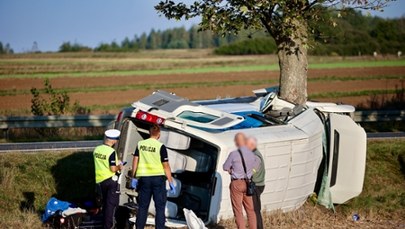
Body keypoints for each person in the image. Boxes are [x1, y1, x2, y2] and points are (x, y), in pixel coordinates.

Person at [131, 125, 175, 229]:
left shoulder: (140, 144)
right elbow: (166, 165)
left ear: (149, 133)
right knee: (159, 207)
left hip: (144, 179)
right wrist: (171, 181)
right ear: (159, 134)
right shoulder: (160, 146)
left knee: (142, 207)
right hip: (158, 180)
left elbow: (135, 160)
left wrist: (134, 177)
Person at [223, 133, 260, 229]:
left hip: (236, 183)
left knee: (238, 211)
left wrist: (231, 171)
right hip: (248, 183)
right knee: (250, 210)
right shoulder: (252, 154)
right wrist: (252, 172)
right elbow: (258, 162)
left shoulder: (233, 154)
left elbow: (225, 167)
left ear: (237, 142)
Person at [93, 129, 123, 229]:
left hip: (100, 181)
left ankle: (104, 224)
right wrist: (120, 166)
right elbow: (113, 168)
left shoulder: (97, 149)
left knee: (105, 204)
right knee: (111, 205)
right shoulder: (111, 151)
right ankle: (109, 226)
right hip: (110, 181)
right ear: (113, 141)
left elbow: (103, 162)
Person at [247, 137, 265, 229]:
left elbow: (253, 170)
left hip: (256, 186)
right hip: (258, 185)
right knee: (254, 209)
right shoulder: (255, 154)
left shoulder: (256, 156)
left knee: (255, 209)